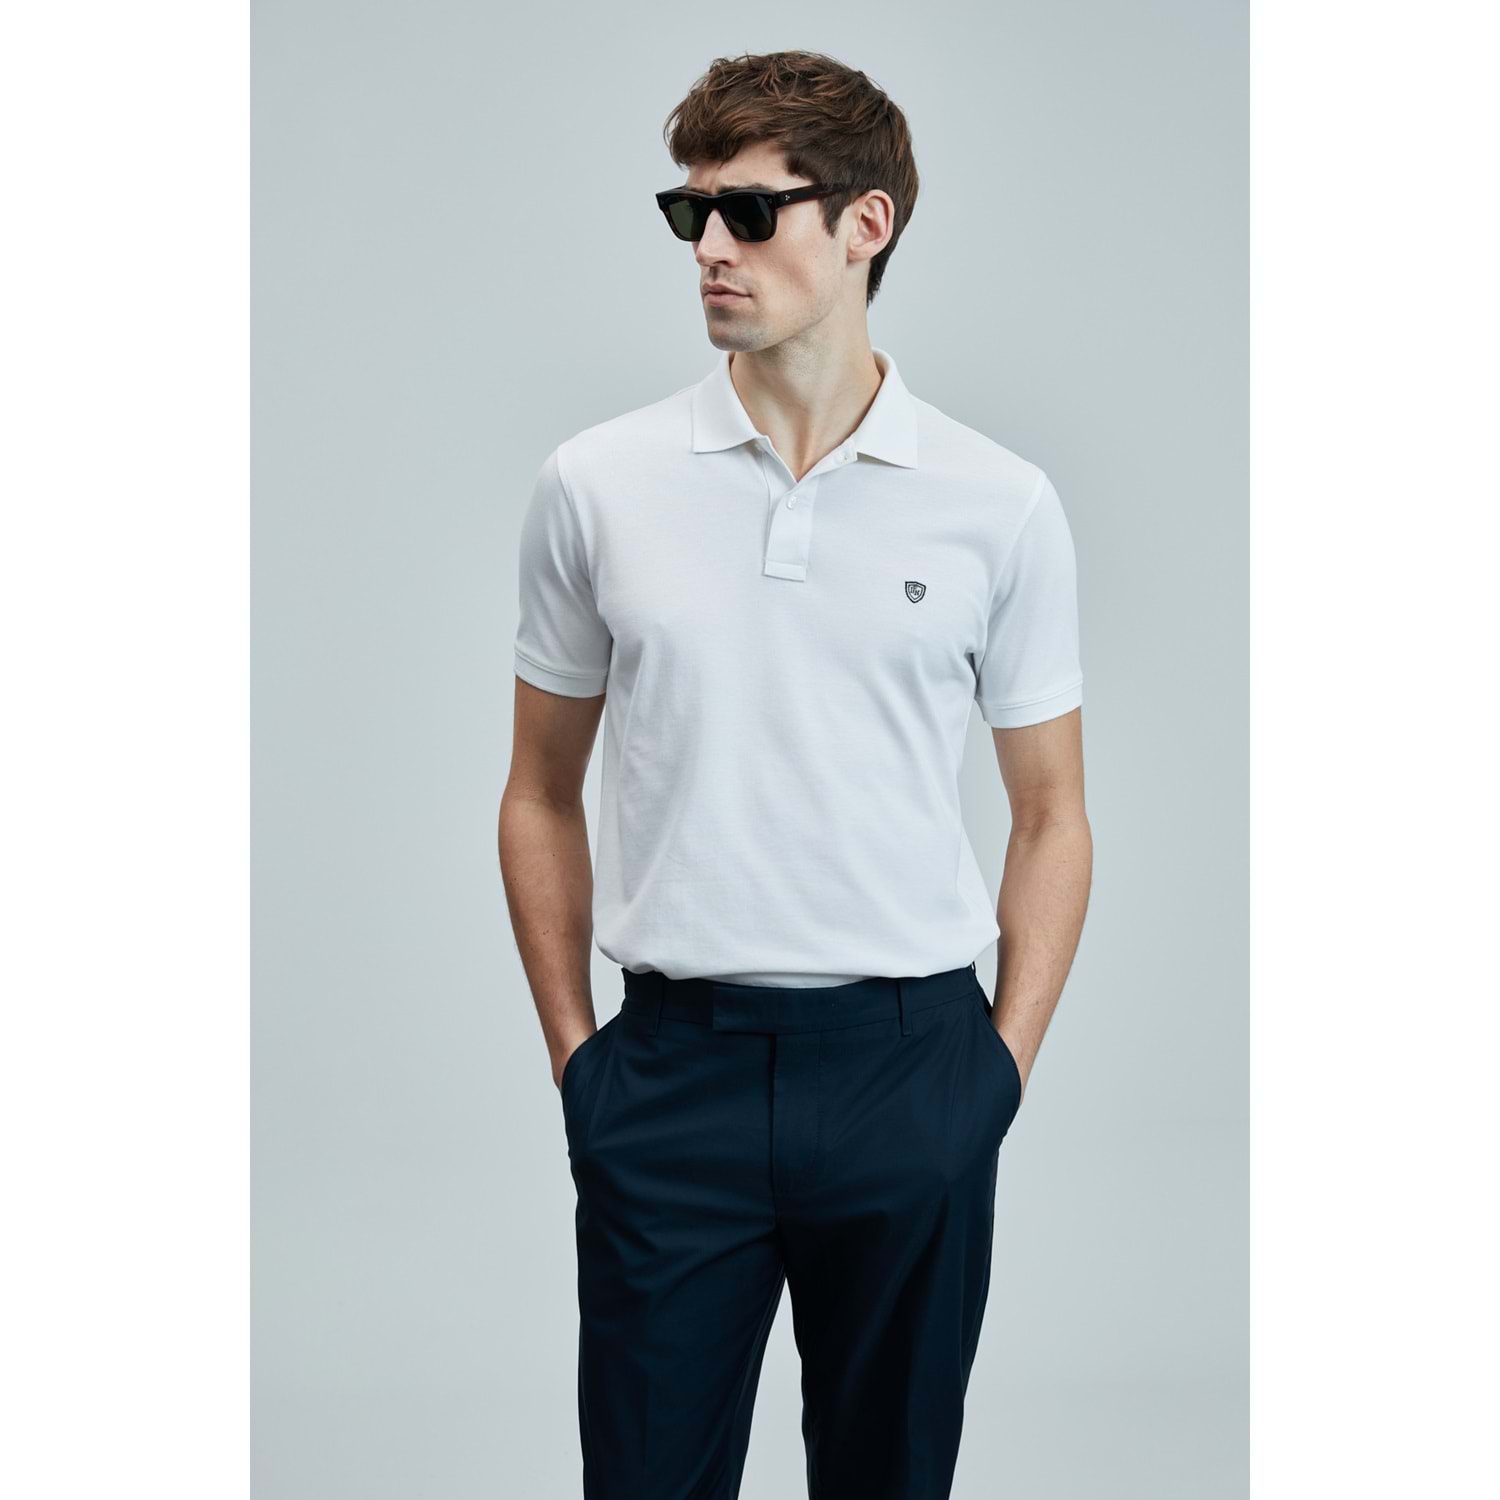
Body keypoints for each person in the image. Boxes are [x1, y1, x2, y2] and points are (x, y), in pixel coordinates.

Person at [498, 48, 1092, 1500]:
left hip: (910, 1071)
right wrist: (583, 1062)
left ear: (865, 225)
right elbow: (537, 790)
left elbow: (1053, 815)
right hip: (672, 1074)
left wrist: (994, 1075)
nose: (710, 247)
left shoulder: (999, 505)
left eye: (751, 213)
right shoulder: (598, 483)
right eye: (689, 213)